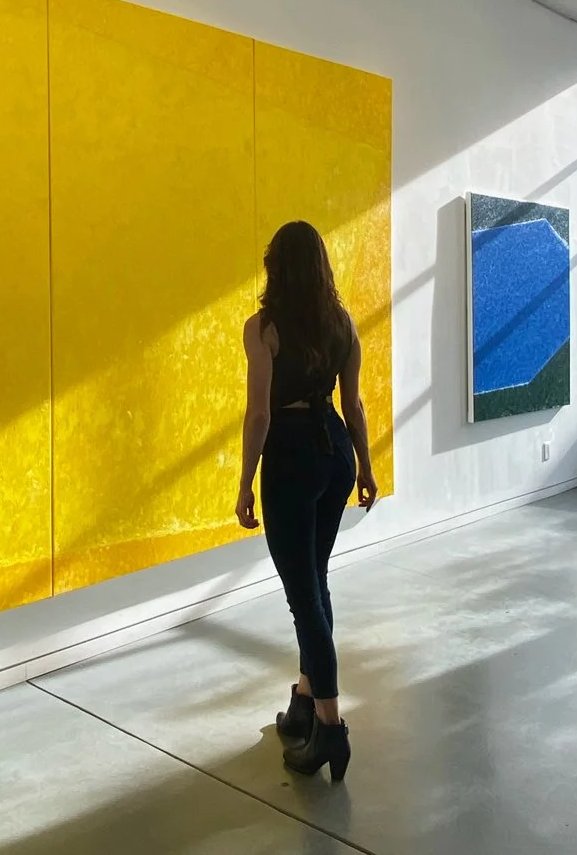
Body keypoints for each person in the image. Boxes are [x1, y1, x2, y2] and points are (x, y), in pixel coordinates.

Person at [235, 220, 377, 783]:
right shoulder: (343, 325)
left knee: (304, 598)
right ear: (321, 267)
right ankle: (303, 699)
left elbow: (260, 414)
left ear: (276, 267)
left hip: (291, 460)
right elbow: (354, 405)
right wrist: (365, 466)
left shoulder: (263, 329)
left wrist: (245, 482)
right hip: (334, 453)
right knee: (315, 582)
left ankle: (329, 727)